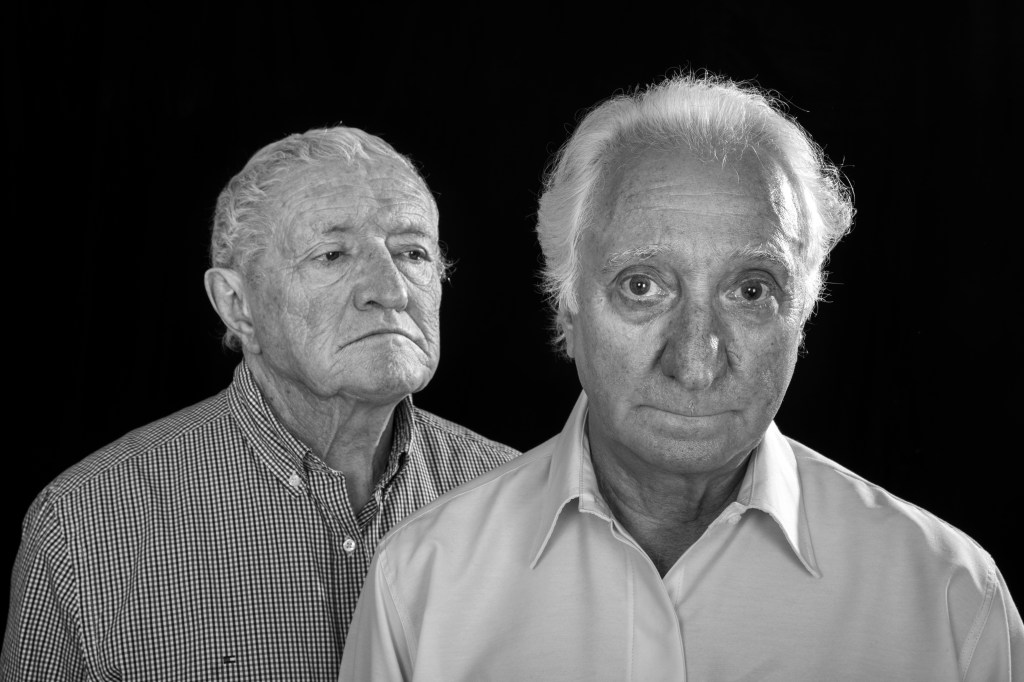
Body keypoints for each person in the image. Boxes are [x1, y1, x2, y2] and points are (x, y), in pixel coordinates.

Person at [339, 75, 1023, 681]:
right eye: (642, 286)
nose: (696, 361)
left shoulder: (951, 601)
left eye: (751, 291)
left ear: (804, 313)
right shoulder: (420, 584)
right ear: (568, 306)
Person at [1, 126, 519, 680]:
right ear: (236, 303)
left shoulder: (517, 499)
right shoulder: (84, 525)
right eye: (332, 255)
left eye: (413, 252)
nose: (391, 290)